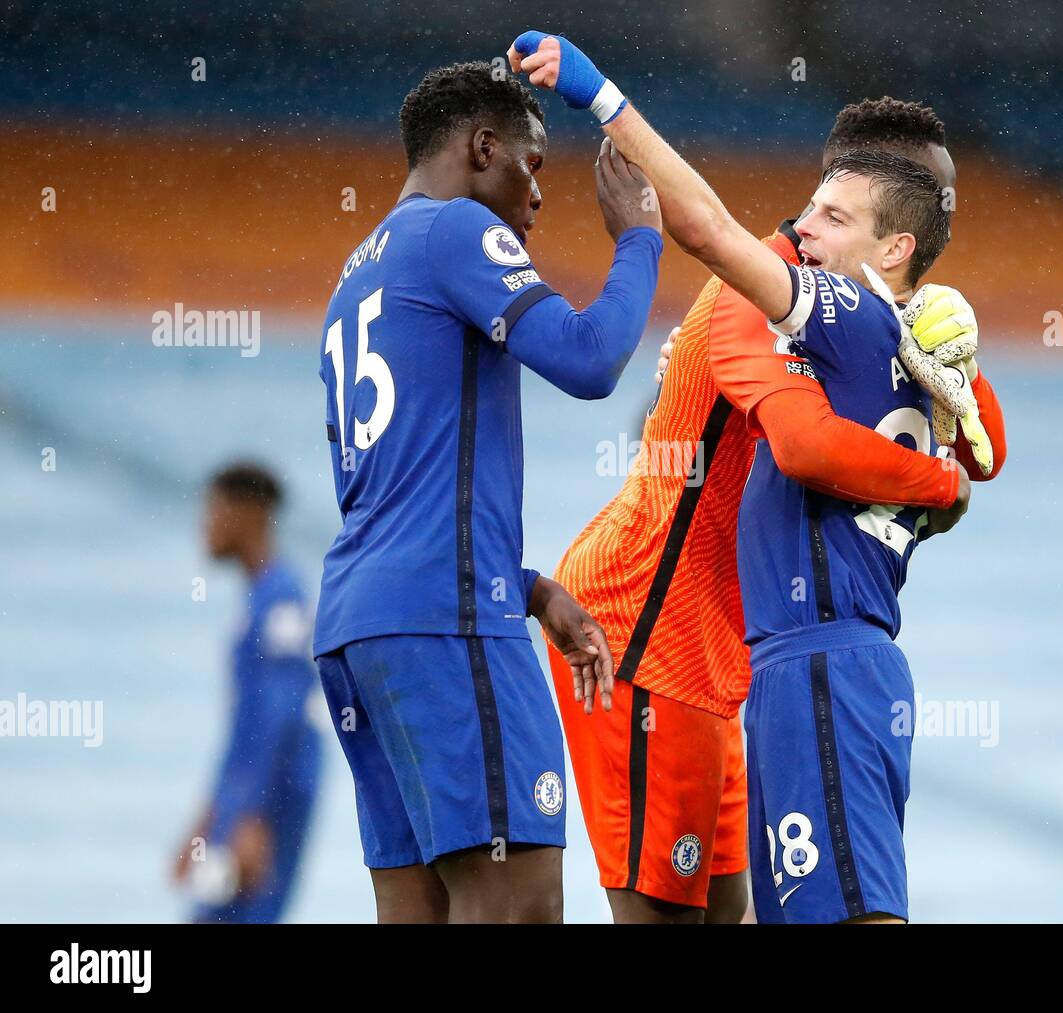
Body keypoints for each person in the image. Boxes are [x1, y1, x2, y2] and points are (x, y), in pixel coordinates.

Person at [510, 30, 1004, 922]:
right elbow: (808, 444)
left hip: (736, 660)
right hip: (640, 633)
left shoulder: (875, 318)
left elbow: (984, 441)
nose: (947, 220)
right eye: (937, 196)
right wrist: (940, 490)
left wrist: (954, 394)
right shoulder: (762, 291)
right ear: (886, 218)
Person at [311, 61, 663, 923]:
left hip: (362, 626)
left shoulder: (355, 276)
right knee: (521, 907)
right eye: (531, 166)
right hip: (447, 620)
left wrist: (533, 591)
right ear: (482, 146)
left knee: (419, 912)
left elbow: (398, 492)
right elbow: (587, 359)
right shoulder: (455, 231)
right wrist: (640, 238)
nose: (537, 197)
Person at [173, 463, 322, 923]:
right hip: (246, 801)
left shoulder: (281, 599)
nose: (205, 525)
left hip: (269, 798)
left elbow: (280, 714)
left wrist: (253, 817)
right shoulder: (260, 598)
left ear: (249, 513)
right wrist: (210, 816)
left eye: (214, 510)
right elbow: (247, 727)